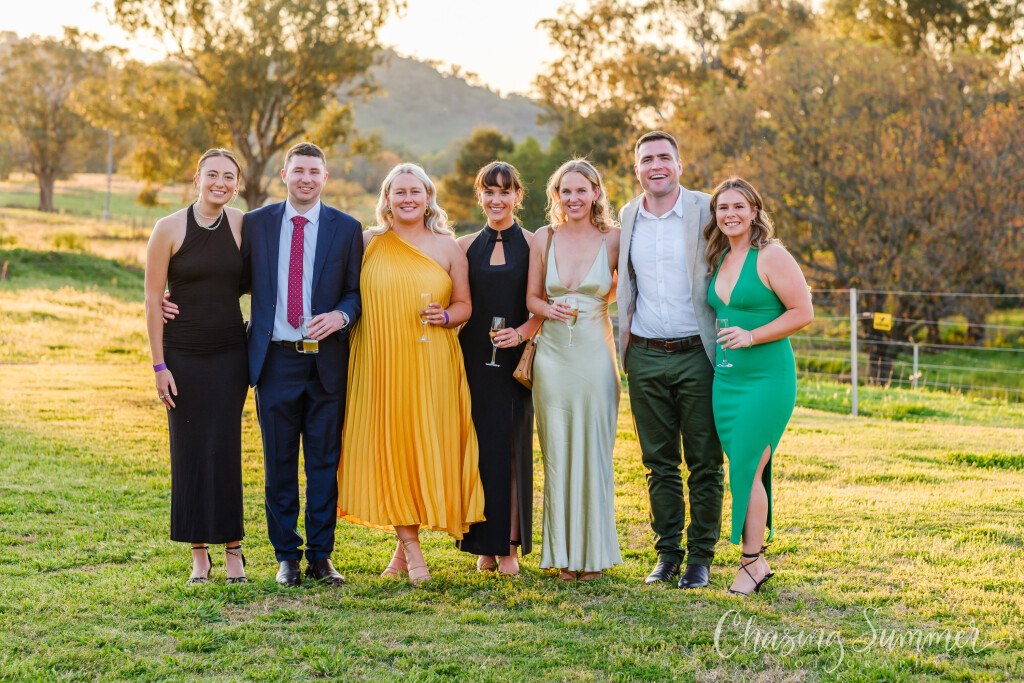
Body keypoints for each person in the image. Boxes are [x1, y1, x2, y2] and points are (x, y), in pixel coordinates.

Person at [337, 163, 484, 585]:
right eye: (398, 192)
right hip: (379, 362)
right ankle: (414, 553)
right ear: (386, 198)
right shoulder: (367, 242)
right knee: (392, 449)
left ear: (428, 197)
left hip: (432, 361)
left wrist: (446, 316)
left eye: (414, 191)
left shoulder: (448, 247)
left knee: (420, 450)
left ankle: (401, 555)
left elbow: (464, 306)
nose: (407, 198)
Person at [616, 131, 724, 589]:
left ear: (679, 165)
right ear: (637, 168)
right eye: (647, 159)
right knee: (657, 462)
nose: (656, 165)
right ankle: (667, 555)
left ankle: (700, 557)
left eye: (664, 157)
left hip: (697, 353)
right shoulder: (627, 215)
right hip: (643, 354)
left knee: (704, 461)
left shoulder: (707, 208)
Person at [704, 177, 812, 596]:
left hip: (767, 379)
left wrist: (752, 336)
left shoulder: (771, 256)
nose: (730, 214)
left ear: (754, 212)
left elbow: (802, 311)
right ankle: (756, 561)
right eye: (722, 207)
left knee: (748, 468)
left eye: (738, 206)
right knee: (745, 467)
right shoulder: (719, 257)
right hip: (727, 379)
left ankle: (751, 563)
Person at [144, 148, 248, 584]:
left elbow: (263, 280)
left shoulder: (242, 224)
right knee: (188, 450)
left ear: (237, 185)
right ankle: (199, 555)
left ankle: (234, 551)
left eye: (228, 177)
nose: (220, 183)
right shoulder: (167, 228)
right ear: (197, 178)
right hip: (182, 356)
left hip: (230, 356)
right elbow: (153, 299)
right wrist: (159, 366)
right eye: (212, 175)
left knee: (224, 449)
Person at [526, 158, 622, 582]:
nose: (573, 198)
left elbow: (628, 288)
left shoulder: (615, 238)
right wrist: (549, 309)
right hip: (552, 359)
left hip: (596, 356)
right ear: (556, 196)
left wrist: (598, 301)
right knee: (558, 453)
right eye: (565, 191)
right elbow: (532, 298)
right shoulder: (544, 237)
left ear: (596, 192)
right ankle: (563, 557)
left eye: (581, 190)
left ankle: (594, 556)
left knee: (595, 452)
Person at [455, 162, 541, 577]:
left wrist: (521, 333)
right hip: (473, 360)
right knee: (478, 450)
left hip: (514, 362)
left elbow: (541, 304)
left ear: (517, 196)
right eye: (489, 191)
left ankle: (508, 546)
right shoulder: (463, 245)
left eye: (505, 191)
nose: (496, 199)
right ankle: (483, 546)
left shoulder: (535, 244)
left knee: (511, 449)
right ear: (479, 195)